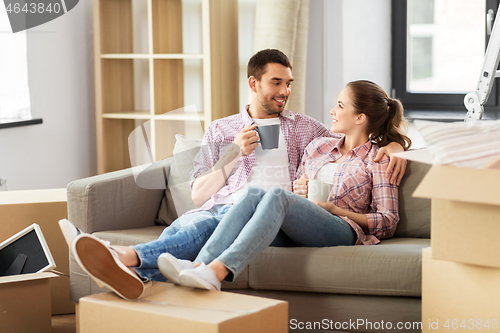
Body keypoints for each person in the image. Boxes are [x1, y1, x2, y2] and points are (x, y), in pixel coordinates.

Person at [62, 50, 407, 300]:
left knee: (257, 200)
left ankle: (132, 258)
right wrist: (233, 154)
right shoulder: (223, 130)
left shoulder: (308, 130)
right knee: (217, 215)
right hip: (226, 209)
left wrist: (395, 146)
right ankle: (137, 267)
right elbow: (198, 195)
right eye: (276, 83)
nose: (285, 92)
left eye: (289, 83)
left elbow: (361, 141)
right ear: (253, 84)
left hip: (291, 217)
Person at [160, 80, 412, 291]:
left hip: (343, 229)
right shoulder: (319, 147)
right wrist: (299, 190)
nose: (332, 110)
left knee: (276, 195)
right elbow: (295, 191)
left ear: (360, 117)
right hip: (304, 222)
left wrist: (337, 211)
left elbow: (388, 221)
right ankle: (199, 268)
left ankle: (217, 270)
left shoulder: (379, 159)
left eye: (340, 105)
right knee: (254, 194)